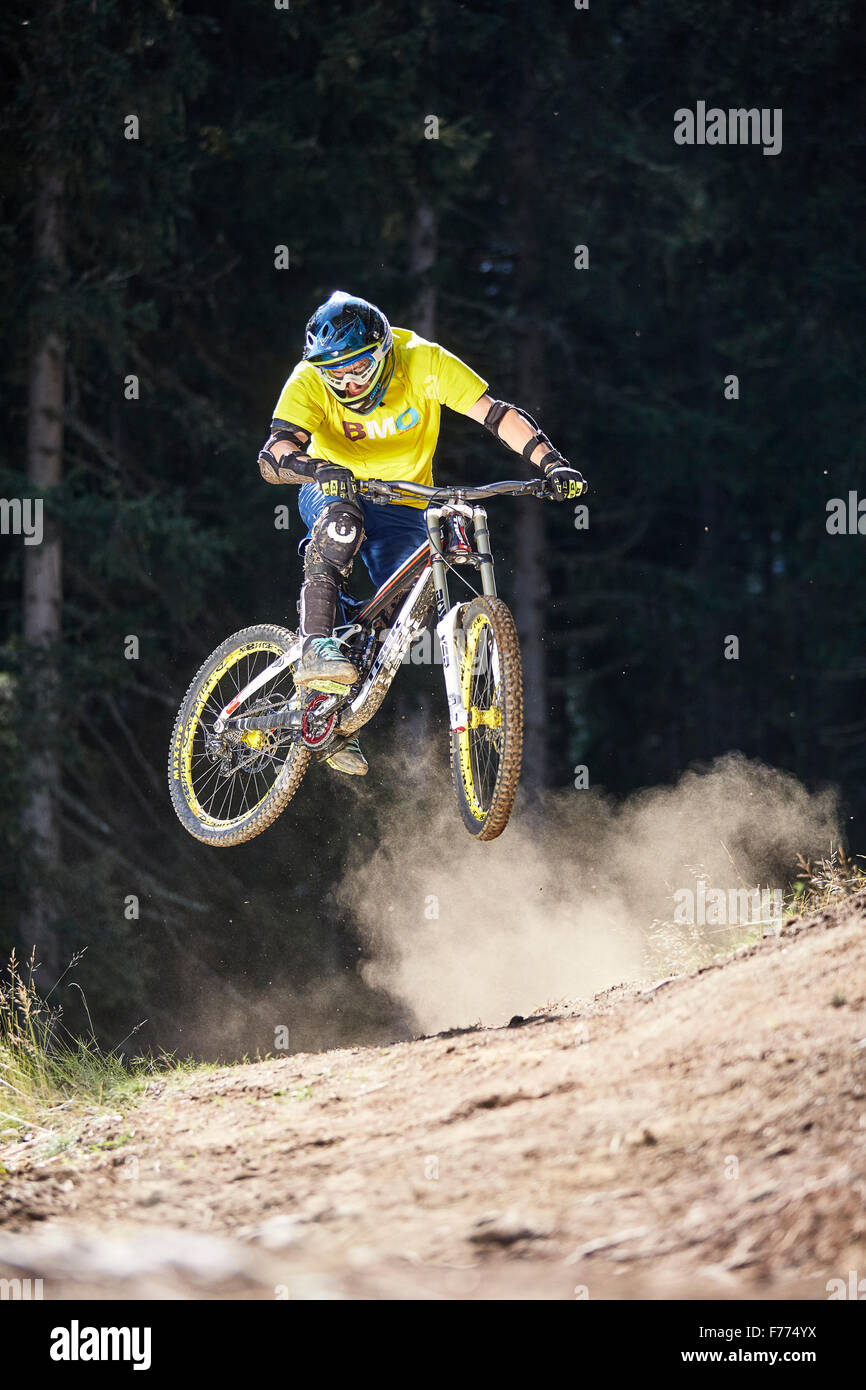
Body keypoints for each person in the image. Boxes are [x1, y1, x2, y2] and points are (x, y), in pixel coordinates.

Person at [258, 290, 585, 775]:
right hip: (333, 489)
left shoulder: (422, 360)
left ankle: (334, 716)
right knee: (342, 521)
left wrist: (551, 463)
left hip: (404, 499)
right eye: (336, 374)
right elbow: (274, 453)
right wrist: (314, 467)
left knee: (411, 603)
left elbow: (494, 414)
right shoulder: (309, 380)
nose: (347, 383)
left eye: (359, 368)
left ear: (384, 352)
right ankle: (314, 643)